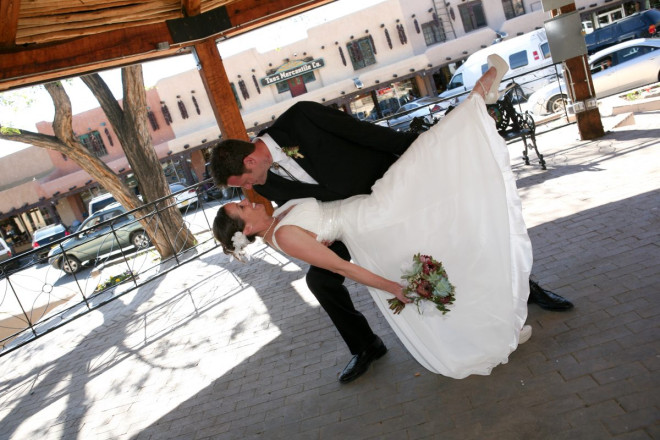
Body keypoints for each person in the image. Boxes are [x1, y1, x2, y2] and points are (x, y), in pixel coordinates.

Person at [210, 57, 572, 382]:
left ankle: (525, 289)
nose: (246, 191)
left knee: (456, 225)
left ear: (249, 162)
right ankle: (365, 346)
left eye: (241, 183)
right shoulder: (267, 182)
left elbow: (366, 135)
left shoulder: (301, 119)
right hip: (350, 221)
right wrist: (313, 240)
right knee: (320, 282)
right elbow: (301, 217)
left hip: (388, 188)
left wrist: (422, 151)